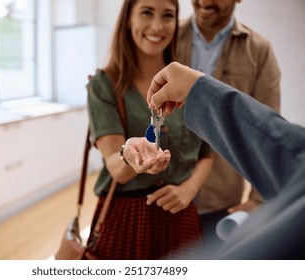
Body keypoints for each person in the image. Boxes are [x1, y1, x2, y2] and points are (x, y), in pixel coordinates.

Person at [122, 62, 305, 259]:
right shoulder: (109, 82)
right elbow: (290, 154)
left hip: (210, 204)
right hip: (140, 215)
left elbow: (287, 153)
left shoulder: (256, 50)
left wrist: (256, 200)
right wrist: (125, 152)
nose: (158, 29)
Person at [86, 0, 214, 259]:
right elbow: (116, 169)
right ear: (128, 20)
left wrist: (189, 189)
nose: (157, 26)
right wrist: (128, 156)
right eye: (146, 12)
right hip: (127, 220)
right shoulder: (103, 85)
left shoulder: (192, 83)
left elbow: (207, 154)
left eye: (168, 15)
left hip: (182, 214)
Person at [175, 0, 281, 248]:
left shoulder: (259, 50)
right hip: (166, 192)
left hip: (221, 200)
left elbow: (266, 129)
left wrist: (257, 200)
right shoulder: (166, 36)